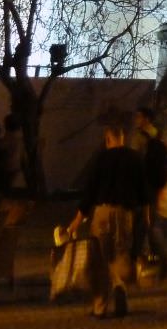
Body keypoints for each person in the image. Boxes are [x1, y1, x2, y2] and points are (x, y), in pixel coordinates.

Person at [68, 121, 149, 319]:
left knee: (100, 259)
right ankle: (120, 286)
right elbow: (144, 193)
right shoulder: (135, 158)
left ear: (107, 139)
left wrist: (76, 221)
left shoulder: (101, 158)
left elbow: (90, 191)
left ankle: (100, 307)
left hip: (103, 211)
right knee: (121, 253)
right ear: (123, 138)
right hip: (125, 213)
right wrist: (146, 218)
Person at [134, 107, 167, 279]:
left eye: (139, 116)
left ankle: (141, 261)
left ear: (146, 119)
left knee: (144, 226)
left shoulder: (140, 137)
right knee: (149, 226)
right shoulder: (160, 136)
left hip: (143, 186)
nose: (136, 119)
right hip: (156, 187)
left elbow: (135, 162)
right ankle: (153, 262)